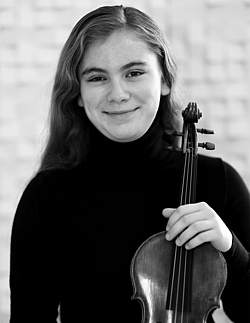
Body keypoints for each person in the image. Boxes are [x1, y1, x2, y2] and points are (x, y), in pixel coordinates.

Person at [9, 5, 250, 323]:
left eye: (134, 73)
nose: (118, 94)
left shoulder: (217, 181)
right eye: (97, 78)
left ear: (164, 80)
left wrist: (230, 247)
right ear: (78, 94)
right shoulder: (48, 197)